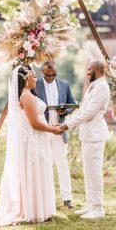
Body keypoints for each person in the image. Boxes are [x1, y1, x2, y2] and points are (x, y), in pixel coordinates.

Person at [0, 66, 63, 226]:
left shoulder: (27, 95)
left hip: (37, 139)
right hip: (33, 140)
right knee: (33, 171)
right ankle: (32, 209)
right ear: (26, 78)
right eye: (33, 76)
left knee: (36, 171)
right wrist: (53, 130)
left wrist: (50, 126)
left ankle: (38, 208)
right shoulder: (27, 97)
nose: (36, 79)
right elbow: (35, 123)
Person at [60, 60, 110, 219]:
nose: (87, 73)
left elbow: (89, 112)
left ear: (97, 69)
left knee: (94, 172)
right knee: (88, 171)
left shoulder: (101, 87)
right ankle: (90, 205)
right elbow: (82, 109)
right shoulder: (94, 86)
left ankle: (97, 208)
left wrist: (67, 125)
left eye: (89, 70)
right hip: (88, 135)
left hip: (95, 135)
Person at [35, 61, 76, 209]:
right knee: (43, 163)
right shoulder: (35, 84)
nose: (51, 78)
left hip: (59, 128)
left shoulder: (64, 84)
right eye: (47, 75)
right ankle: (45, 198)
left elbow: (72, 102)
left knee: (62, 163)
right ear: (42, 72)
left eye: (53, 75)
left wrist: (65, 111)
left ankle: (67, 198)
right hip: (42, 129)